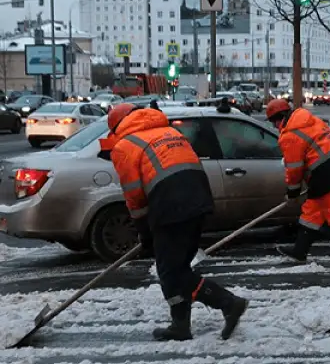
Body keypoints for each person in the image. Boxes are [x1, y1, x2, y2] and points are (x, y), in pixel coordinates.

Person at [98, 103, 248, 341]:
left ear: (116, 127)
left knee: (171, 272)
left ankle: (227, 303)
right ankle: (181, 324)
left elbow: (134, 195)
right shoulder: (169, 132)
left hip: (171, 202)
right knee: (177, 268)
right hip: (198, 196)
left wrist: (143, 231)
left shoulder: (125, 146)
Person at [266, 98, 330, 266]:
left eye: (274, 122)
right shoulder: (308, 120)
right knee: (312, 212)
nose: (275, 126)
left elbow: (294, 168)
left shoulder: (290, 135)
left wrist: (293, 192)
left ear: (281, 117)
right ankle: (300, 251)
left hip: (328, 173)